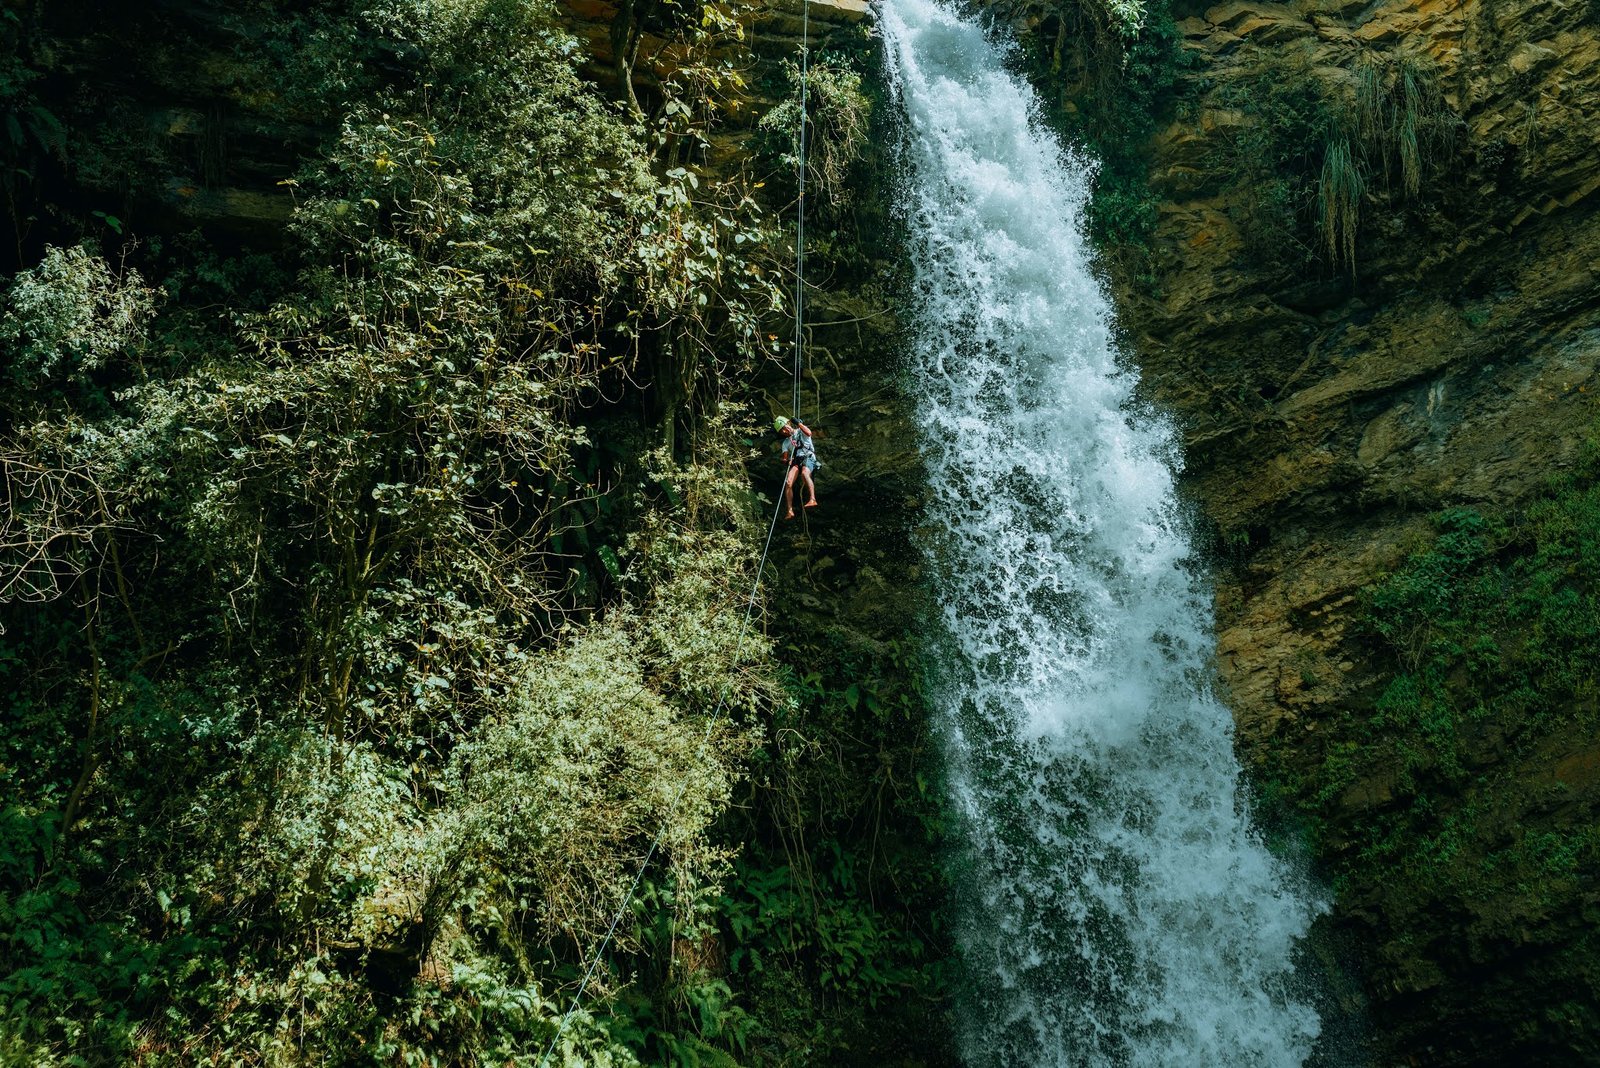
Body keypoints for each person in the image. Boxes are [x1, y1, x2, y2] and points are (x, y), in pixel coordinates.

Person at [775, 415, 818, 520]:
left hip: (808, 456)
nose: (784, 432)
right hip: (796, 460)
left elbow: (809, 433)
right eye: (781, 431)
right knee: (788, 482)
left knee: (804, 473)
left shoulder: (800, 430)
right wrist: (786, 461)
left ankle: (813, 499)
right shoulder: (785, 442)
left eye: (784, 428)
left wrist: (798, 423)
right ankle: (789, 510)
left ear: (789, 424)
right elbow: (785, 457)